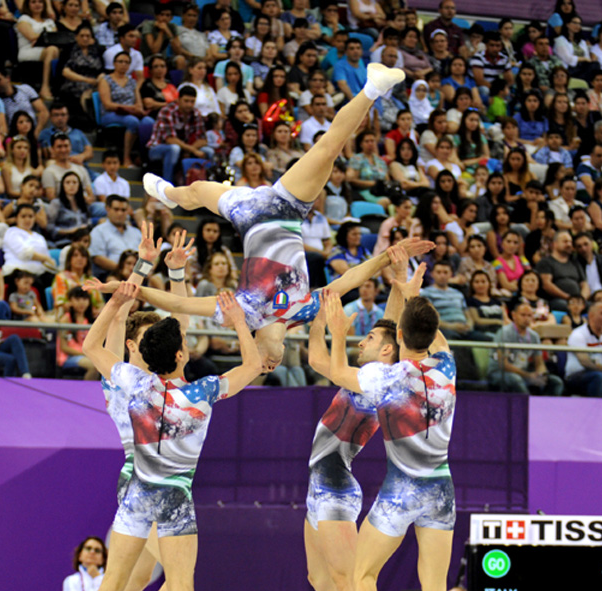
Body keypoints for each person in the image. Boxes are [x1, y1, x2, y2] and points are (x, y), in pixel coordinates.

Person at [139, 63, 421, 371]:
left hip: (246, 213)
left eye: (262, 365)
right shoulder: (302, 311)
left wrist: (129, 289)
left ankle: (167, 194)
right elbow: (347, 280)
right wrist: (386, 258)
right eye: (271, 367)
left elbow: (180, 304)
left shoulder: (242, 313)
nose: (270, 364)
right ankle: (374, 88)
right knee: (329, 148)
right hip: (288, 208)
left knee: (193, 192)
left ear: (252, 346)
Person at [69, 281, 263, 591]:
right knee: (181, 587)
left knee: (113, 582)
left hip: (137, 495)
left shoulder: (133, 384)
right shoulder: (203, 393)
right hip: (175, 500)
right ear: (180, 355)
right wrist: (239, 324)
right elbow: (253, 364)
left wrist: (117, 303)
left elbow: (88, 345)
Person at [314, 266, 457, 591]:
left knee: (362, 574)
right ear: (432, 335)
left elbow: (334, 369)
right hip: (441, 488)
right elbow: (433, 336)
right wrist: (412, 295)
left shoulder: (386, 378)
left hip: (401, 490)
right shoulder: (449, 367)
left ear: (400, 338)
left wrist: (338, 331)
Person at [291, 259, 417, 591]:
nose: (363, 340)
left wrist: (338, 330)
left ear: (385, 351)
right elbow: (314, 357)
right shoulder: (369, 375)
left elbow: (386, 336)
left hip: (335, 488)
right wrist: (316, 320)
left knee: (350, 580)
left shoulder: (379, 380)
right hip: (316, 487)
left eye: (369, 338)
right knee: (320, 579)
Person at [488, 297, 563, 395]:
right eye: (523, 315)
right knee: (516, 380)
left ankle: (546, 409)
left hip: (524, 372)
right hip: (500, 373)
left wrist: (541, 374)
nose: (526, 319)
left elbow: (539, 363)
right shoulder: (504, 333)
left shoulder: (534, 336)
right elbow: (504, 364)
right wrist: (528, 376)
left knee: (555, 382)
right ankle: (527, 408)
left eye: (529, 316)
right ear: (514, 315)